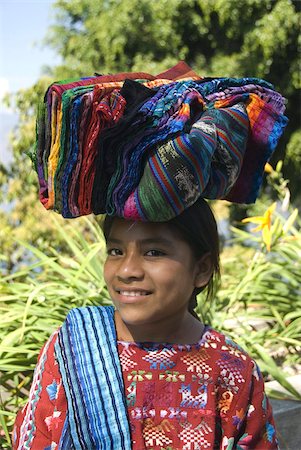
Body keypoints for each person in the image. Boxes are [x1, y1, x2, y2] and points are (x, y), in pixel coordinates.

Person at [13, 62, 287, 449]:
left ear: (202, 269)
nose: (126, 270)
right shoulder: (70, 351)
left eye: (154, 251)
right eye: (115, 251)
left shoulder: (232, 371)